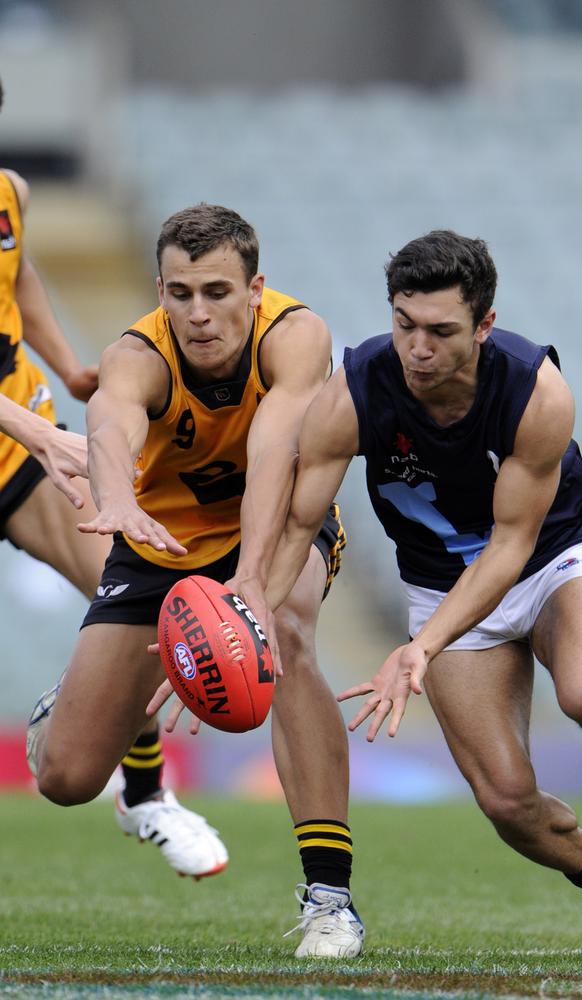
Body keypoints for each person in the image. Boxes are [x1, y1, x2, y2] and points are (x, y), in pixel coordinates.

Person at [264, 229, 582, 960]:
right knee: (506, 801)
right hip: (439, 582)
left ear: (484, 326)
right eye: (404, 324)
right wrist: (244, 616)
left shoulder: (536, 390)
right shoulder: (354, 391)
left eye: (440, 331)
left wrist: (422, 646)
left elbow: (509, 547)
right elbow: (297, 522)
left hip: (549, 559)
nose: (417, 348)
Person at [28, 203, 364, 958]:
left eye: (216, 291)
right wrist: (115, 498)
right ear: (160, 290)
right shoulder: (135, 353)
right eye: (179, 293)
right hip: (158, 540)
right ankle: (76, 704)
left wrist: (249, 584)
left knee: (291, 633)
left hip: (272, 528)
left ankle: (330, 900)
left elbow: (276, 454)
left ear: (255, 288)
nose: (198, 312)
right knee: (68, 778)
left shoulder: (296, 335)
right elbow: (110, 426)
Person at [0, 77, 221, 880]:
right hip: (21, 433)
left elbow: (17, 275)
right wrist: (40, 433)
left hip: (16, 438)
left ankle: (144, 792)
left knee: (133, 590)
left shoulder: (8, 193)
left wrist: (70, 370)